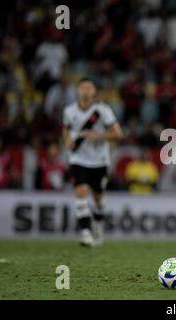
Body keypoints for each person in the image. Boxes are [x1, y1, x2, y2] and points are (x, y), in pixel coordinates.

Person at [63, 78, 123, 247]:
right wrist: (67, 140)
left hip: (99, 161)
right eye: (82, 87)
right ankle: (85, 232)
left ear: (94, 91)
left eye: (89, 87)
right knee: (81, 192)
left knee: (98, 199)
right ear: (77, 90)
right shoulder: (69, 111)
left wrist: (98, 136)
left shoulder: (103, 111)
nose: (86, 91)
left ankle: (97, 226)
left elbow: (118, 134)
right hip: (78, 159)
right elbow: (66, 129)